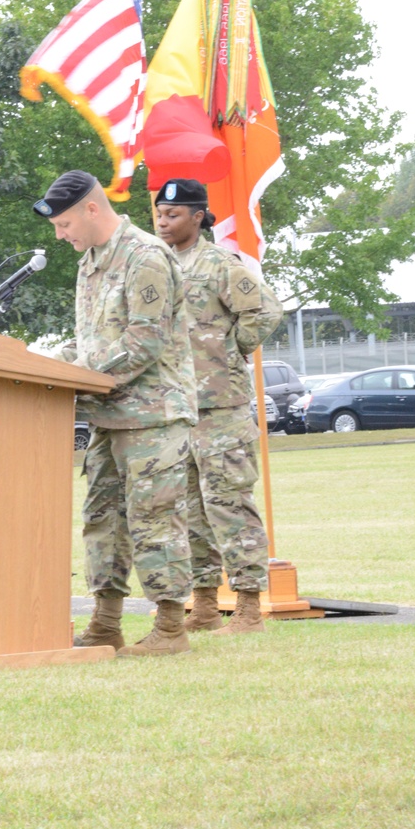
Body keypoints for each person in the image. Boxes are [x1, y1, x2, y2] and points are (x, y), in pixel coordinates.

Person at [33, 170, 197, 655]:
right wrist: (43, 363)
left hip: (153, 416)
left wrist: (80, 371)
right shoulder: (91, 262)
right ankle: (106, 625)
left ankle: (170, 629)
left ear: (91, 209)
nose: (62, 237)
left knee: (154, 520)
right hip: (106, 415)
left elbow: (144, 342)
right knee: (102, 520)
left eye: (64, 225)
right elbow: (91, 342)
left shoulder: (145, 256)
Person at [154, 178, 283, 634]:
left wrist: (229, 350)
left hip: (221, 408)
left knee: (228, 504)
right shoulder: (158, 266)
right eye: (159, 215)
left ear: (198, 216)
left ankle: (248, 608)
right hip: (177, 408)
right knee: (189, 511)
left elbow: (266, 311)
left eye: (173, 215)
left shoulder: (220, 264)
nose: (164, 221)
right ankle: (205, 605)